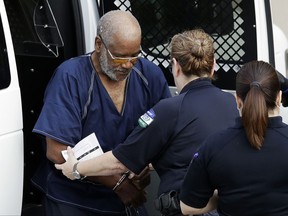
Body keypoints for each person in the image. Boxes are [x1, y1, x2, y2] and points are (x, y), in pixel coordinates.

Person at [55, 29, 239, 216]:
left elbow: (120, 161)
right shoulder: (233, 105)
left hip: (188, 207)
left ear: (175, 66)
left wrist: (76, 168)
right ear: (214, 65)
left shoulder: (169, 109)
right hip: (226, 205)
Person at [31, 10, 172, 216]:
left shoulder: (148, 74)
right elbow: (57, 151)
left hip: (126, 194)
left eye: (134, 56)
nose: (127, 65)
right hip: (73, 197)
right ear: (99, 44)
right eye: (119, 57)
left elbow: (166, 132)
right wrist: (118, 184)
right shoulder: (71, 76)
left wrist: (144, 168)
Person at [179, 60, 288, 216]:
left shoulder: (214, 146)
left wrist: (222, 197)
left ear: (238, 100)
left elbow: (188, 207)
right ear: (278, 98)